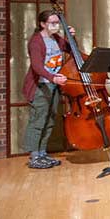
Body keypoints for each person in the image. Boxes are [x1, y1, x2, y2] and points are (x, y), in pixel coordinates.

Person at [21, 10, 75, 169]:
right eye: (52, 23)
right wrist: (53, 78)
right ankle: (34, 155)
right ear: (43, 24)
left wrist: (72, 37)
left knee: (50, 120)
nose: (56, 26)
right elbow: (37, 66)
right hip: (41, 85)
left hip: (53, 85)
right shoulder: (36, 42)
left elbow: (72, 50)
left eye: (57, 23)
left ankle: (42, 152)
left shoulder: (56, 38)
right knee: (38, 120)